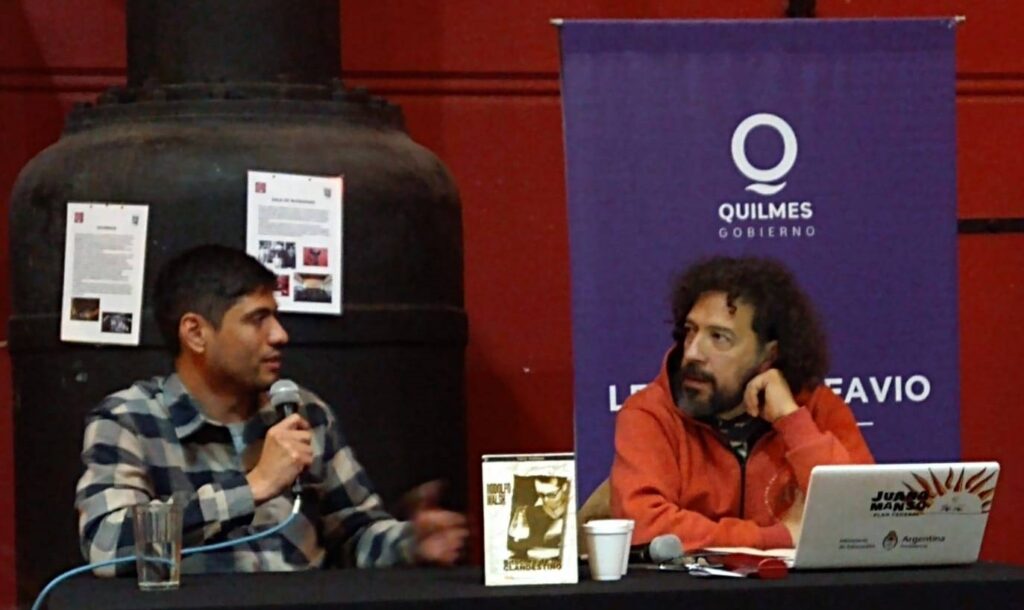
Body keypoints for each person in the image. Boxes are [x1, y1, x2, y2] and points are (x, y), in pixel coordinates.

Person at [75, 244, 468, 575]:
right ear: (195, 333)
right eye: (257, 319)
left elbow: (356, 535)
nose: (280, 335)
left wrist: (410, 542)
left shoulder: (303, 411)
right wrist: (252, 487)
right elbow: (107, 547)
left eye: (275, 317)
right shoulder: (129, 419)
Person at [610, 256, 873, 551]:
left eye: (719, 337)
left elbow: (865, 515)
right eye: (690, 331)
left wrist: (792, 421)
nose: (693, 352)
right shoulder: (650, 413)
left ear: (768, 355)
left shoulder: (818, 409)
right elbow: (641, 525)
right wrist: (776, 538)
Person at [507, 477, 570, 559]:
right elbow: (514, 548)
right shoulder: (529, 514)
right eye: (541, 494)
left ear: (564, 487)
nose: (545, 500)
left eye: (551, 494)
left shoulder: (574, 514)